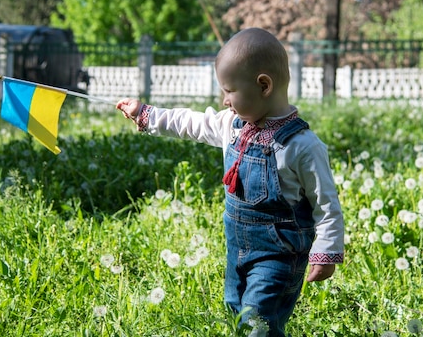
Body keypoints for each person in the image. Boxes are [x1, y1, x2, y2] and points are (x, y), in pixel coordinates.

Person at [117, 28, 344, 336]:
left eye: (229, 90)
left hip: (278, 257)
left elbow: (326, 204)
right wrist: (146, 114)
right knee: (235, 311)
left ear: (263, 85)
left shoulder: (302, 146)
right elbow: (191, 123)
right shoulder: (232, 126)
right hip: (237, 248)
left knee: (258, 320)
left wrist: (326, 251)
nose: (224, 101)